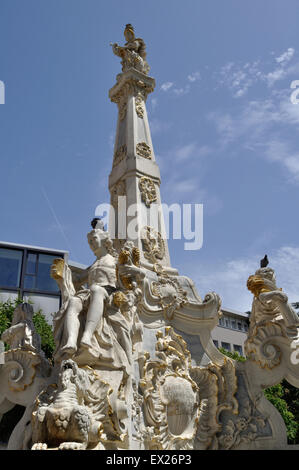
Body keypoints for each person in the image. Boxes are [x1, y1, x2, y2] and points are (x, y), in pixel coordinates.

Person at [52, 220, 117, 355]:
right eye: (89, 242)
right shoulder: (93, 265)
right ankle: (71, 340)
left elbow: (129, 273)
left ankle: (87, 335)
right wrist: (61, 274)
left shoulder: (114, 260)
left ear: (104, 240)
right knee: (73, 301)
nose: (91, 244)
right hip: (91, 294)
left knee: (95, 289)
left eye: (94, 239)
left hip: (107, 293)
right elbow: (77, 279)